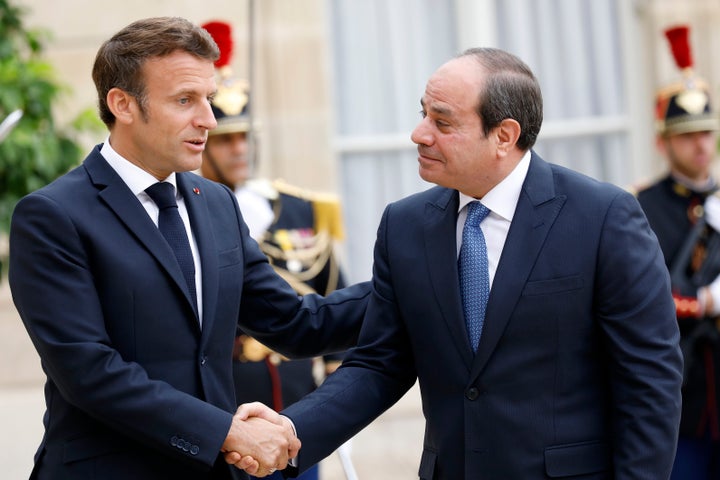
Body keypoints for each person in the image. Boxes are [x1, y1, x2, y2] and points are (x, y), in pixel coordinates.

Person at [233, 47, 684, 479]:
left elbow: (650, 382)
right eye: (423, 113)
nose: (420, 133)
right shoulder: (405, 225)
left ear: (504, 136)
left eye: (442, 122)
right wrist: (292, 431)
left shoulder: (603, 217)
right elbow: (378, 364)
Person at [8, 16, 370, 480]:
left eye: (208, 99)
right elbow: (89, 372)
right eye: (185, 100)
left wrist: (411, 280)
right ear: (122, 104)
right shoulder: (53, 215)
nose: (209, 120)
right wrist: (227, 432)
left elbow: (294, 324)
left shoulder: (215, 203)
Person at [200, 20, 349, 480]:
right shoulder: (191, 213)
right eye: (226, 139)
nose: (239, 149)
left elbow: (330, 291)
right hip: (228, 410)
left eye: (245, 136)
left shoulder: (299, 207)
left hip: (297, 403)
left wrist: (336, 387)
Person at [635, 25, 720, 480]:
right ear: (662, 141)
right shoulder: (641, 208)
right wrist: (705, 302)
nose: (701, 144)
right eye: (687, 135)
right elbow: (642, 300)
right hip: (679, 399)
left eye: (706, 132)